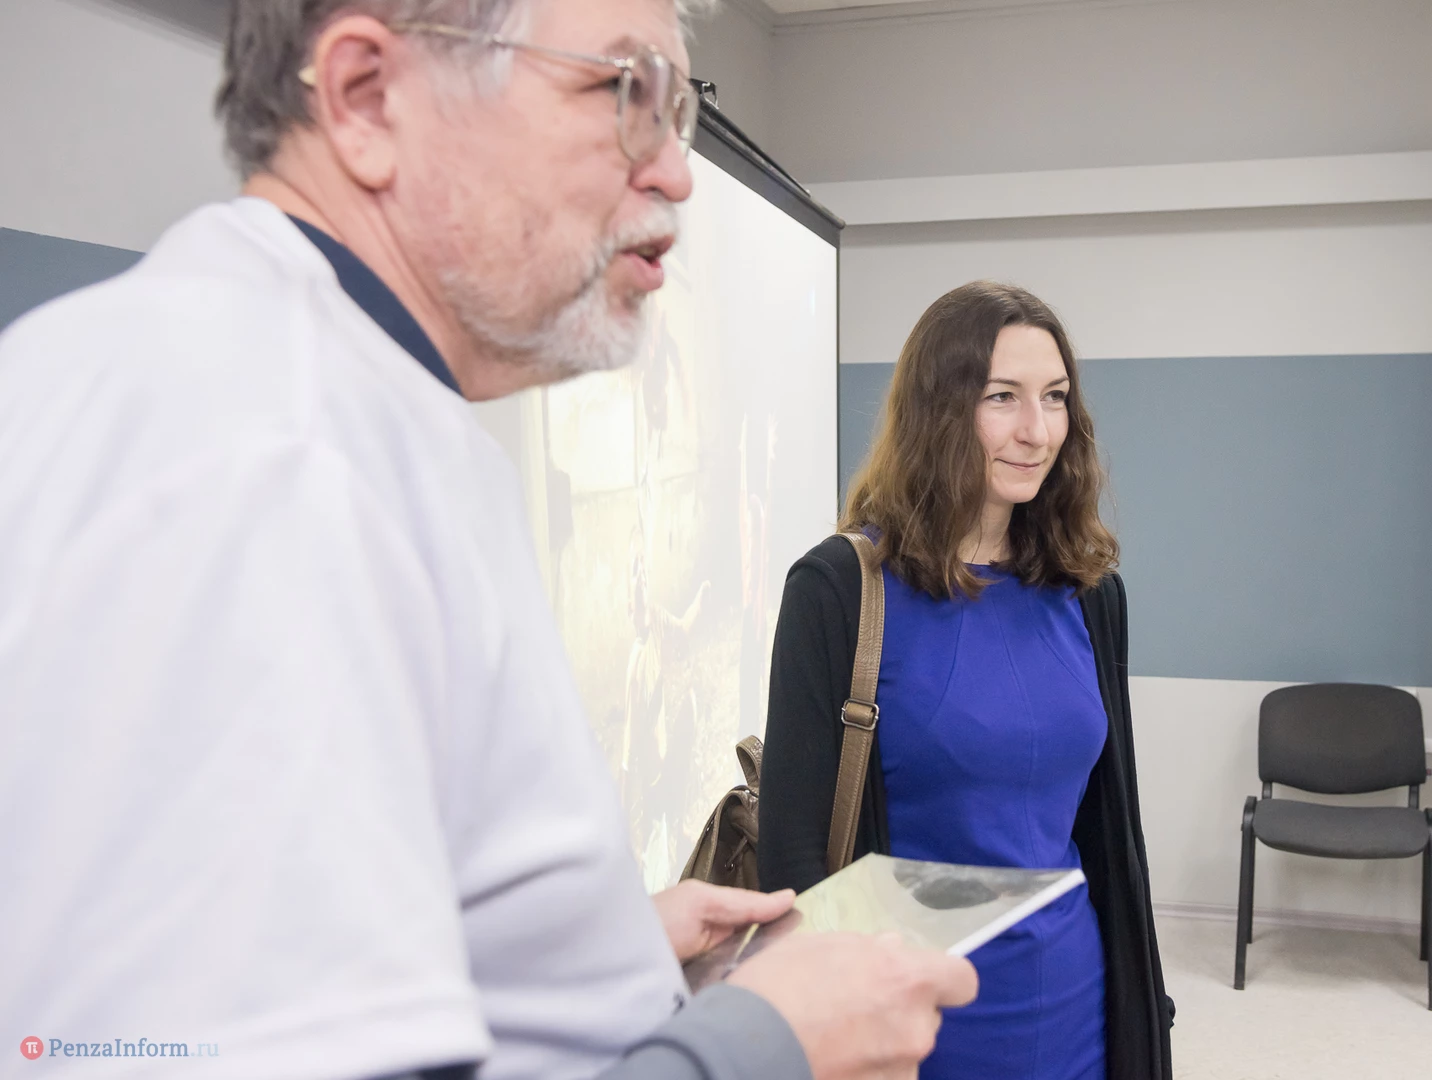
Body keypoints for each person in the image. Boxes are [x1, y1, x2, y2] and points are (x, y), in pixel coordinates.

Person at [0, 1, 976, 1078]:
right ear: (368, 99)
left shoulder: (339, 407)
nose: (676, 173)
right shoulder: (267, 449)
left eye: (679, 115)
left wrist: (589, 964)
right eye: (624, 91)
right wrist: (765, 1045)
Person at [758, 282, 1174, 1080]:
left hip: (1075, 1008)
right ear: (938, 409)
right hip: (912, 1027)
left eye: (1054, 397)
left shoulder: (1088, 594)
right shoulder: (839, 590)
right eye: (1001, 397)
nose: (1036, 430)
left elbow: (1108, 833)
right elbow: (793, 855)